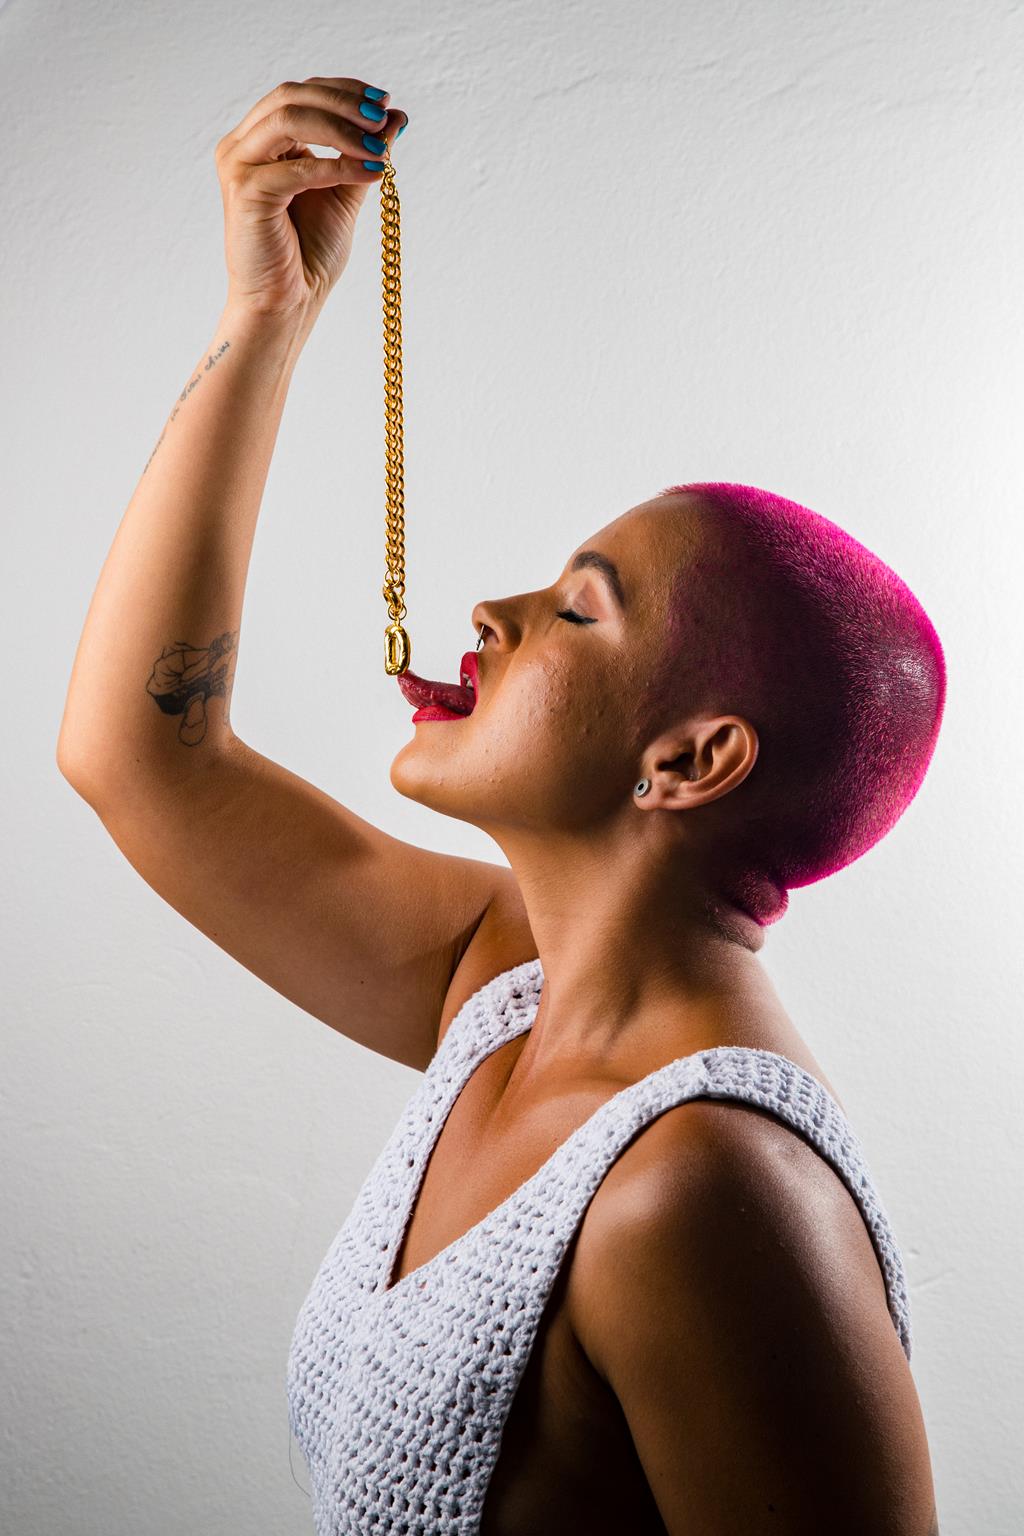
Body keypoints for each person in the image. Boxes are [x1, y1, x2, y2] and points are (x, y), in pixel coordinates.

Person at [57, 75, 941, 1534]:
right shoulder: (509, 991)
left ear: (691, 761)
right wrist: (269, 314)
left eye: (577, 611)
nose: (491, 612)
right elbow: (142, 760)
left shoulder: (705, 1190)